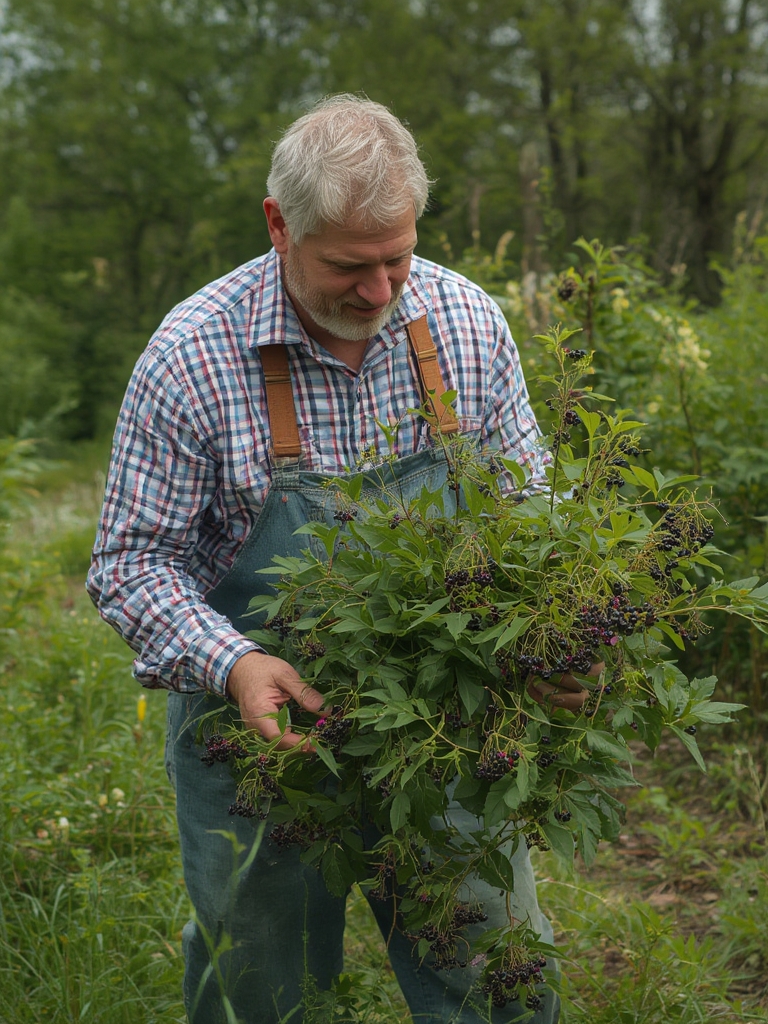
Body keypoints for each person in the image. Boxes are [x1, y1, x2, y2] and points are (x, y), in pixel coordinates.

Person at [88, 94, 577, 1024]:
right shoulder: (193, 356)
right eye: (350, 266)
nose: (383, 290)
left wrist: (550, 622)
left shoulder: (466, 325)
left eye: (398, 257)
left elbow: (530, 509)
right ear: (279, 225)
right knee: (259, 985)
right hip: (257, 746)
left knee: (499, 982)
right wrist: (233, 663)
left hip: (444, 724)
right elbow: (129, 562)